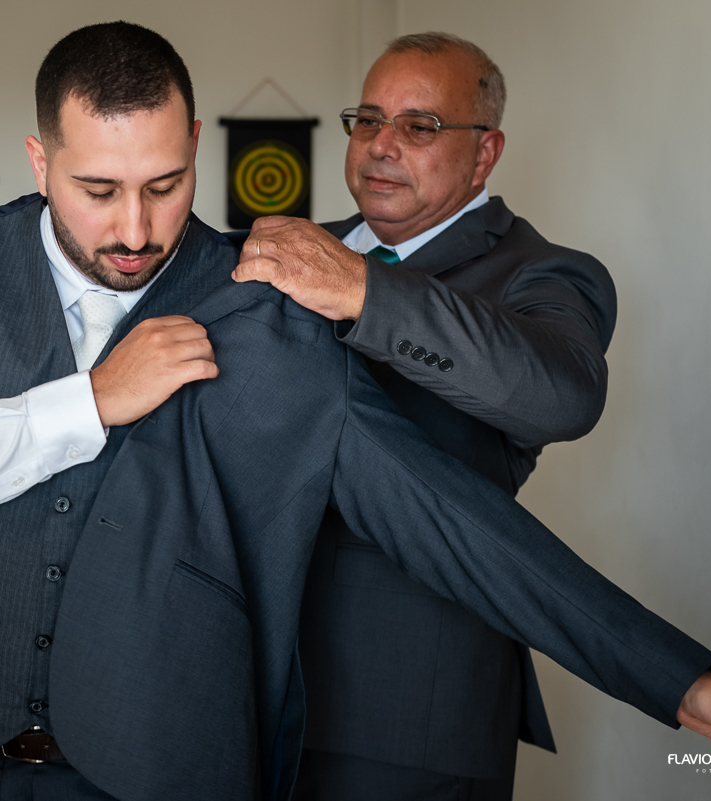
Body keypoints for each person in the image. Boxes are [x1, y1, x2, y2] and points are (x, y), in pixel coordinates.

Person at [0, 22, 711, 801]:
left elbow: (445, 512)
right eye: (97, 190)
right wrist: (92, 400)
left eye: (165, 187)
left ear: (197, 153)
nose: (133, 229)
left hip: (160, 774)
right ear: (40, 164)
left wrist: (677, 682)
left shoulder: (265, 300)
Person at [229, 32, 609, 800]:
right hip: (244, 683)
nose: (381, 145)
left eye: (419, 126)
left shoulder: (542, 271)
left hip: (410, 712)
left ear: (486, 151)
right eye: (367, 120)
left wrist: (366, 291)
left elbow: (563, 393)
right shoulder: (294, 249)